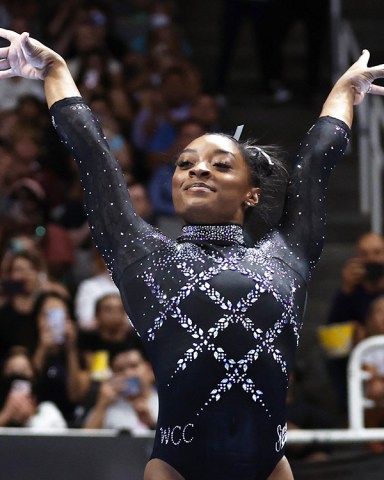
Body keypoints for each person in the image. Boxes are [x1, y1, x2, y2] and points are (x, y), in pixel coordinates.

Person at [1, 27, 383, 480]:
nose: (197, 168)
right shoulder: (142, 257)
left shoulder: (288, 254)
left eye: (221, 165)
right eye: (184, 163)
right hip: (176, 469)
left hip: (268, 469)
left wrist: (343, 91)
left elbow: (316, 162)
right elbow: (94, 156)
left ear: (253, 194)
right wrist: (56, 71)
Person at [83, 346, 158, 432]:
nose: (128, 374)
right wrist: (102, 406)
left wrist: (151, 424)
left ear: (150, 370)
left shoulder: (166, 404)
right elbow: (83, 443)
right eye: (120, 370)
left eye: (134, 366)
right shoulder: (106, 405)